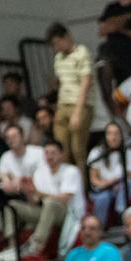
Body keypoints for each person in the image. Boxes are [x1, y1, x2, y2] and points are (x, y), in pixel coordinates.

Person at [47, 22, 95, 165]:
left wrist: (78, 112)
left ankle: (80, 185)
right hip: (63, 104)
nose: (57, 47)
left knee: (77, 150)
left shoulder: (82, 53)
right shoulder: (58, 58)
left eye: (58, 43)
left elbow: (86, 83)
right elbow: (61, 82)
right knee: (61, 149)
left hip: (80, 104)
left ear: (66, 37)